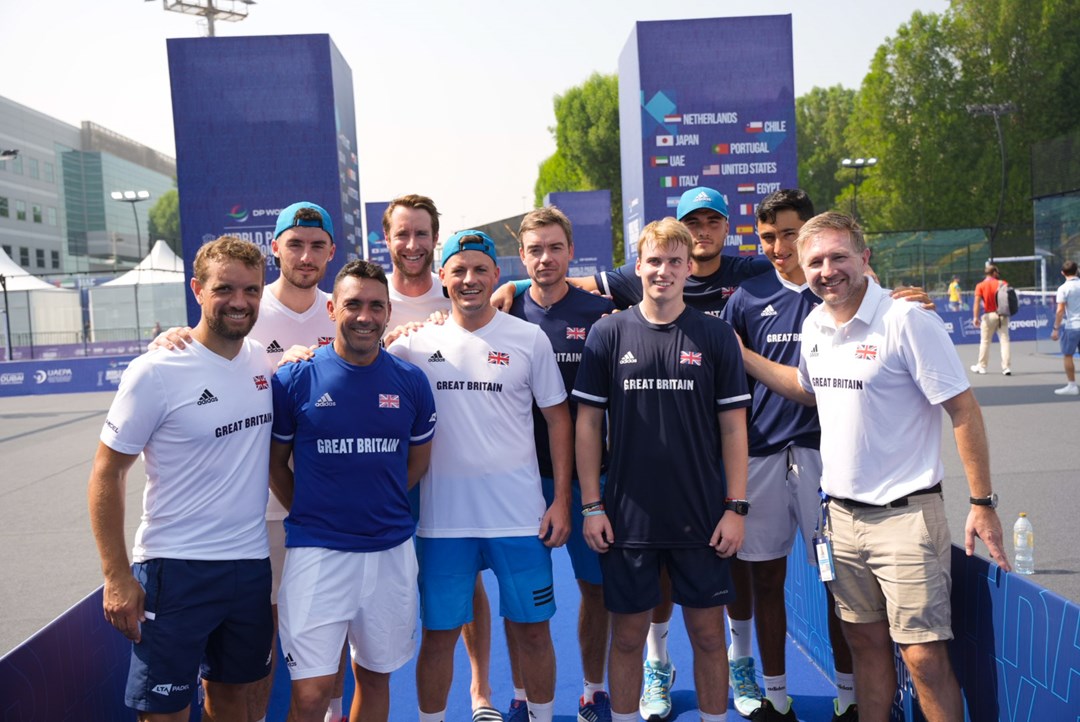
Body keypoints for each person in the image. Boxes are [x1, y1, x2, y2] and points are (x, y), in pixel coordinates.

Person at [740, 212, 1010, 722]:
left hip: (906, 518)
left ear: (865, 259)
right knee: (864, 645)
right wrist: (745, 355)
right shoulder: (816, 322)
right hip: (840, 520)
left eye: (839, 257)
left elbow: (963, 409)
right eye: (815, 261)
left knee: (924, 660)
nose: (827, 270)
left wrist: (982, 503)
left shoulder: (908, 320)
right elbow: (807, 389)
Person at [148, 201, 343, 722]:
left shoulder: (342, 307)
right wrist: (172, 338)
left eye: (316, 244)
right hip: (260, 515)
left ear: (331, 251)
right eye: (294, 244)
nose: (305, 255)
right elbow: (202, 348)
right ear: (274, 248)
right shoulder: (246, 309)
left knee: (330, 628)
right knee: (258, 651)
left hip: (329, 506)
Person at [387, 230, 573, 722]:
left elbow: (558, 418)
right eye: (458, 270)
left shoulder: (528, 338)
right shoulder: (413, 346)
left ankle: (541, 717)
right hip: (442, 523)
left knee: (533, 630)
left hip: (519, 520)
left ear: (496, 276)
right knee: (439, 636)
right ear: (442, 277)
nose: (469, 279)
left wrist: (559, 503)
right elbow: (355, 366)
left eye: (479, 270)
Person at [88, 236, 274, 722]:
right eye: (225, 289)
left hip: (249, 565)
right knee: (164, 712)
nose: (239, 301)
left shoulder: (262, 361)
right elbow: (107, 472)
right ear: (197, 289)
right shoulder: (155, 369)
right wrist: (115, 576)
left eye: (251, 290)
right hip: (175, 569)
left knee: (235, 702)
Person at [573, 217, 752, 722]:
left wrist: (735, 508)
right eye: (654, 261)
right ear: (638, 265)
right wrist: (592, 505)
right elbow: (588, 425)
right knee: (629, 637)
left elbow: (735, 430)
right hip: (629, 518)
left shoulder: (715, 335)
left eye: (676, 261)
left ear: (688, 268)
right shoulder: (608, 332)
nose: (664, 271)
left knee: (709, 636)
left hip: (702, 516)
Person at [269, 260, 436, 722]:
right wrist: (311, 508)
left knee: (375, 677)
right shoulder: (294, 379)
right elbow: (275, 465)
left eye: (376, 306)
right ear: (332, 308)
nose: (365, 316)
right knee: (310, 694)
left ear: (388, 312)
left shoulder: (411, 382)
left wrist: (376, 499)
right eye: (354, 304)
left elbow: (418, 460)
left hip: (390, 552)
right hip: (318, 556)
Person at [720, 190, 856, 722]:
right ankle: (775, 695)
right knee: (765, 578)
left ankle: (849, 694)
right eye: (768, 237)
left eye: (790, 235)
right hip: (761, 459)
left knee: (837, 579)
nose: (779, 248)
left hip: (830, 460)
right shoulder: (745, 298)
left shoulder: (841, 290)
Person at [505, 207, 616, 722]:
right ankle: (524, 693)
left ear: (571, 252)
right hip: (522, 481)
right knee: (520, 593)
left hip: (592, 479)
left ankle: (594, 688)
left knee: (594, 588)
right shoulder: (503, 312)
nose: (544, 258)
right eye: (534, 249)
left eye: (554, 247)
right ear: (521, 256)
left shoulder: (601, 314)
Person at [492, 186, 773, 315]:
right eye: (693, 222)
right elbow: (568, 283)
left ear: (727, 228)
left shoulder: (751, 273)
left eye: (713, 222)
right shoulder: (644, 275)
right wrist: (514, 287)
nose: (703, 231)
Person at [971, 264, 1012, 375]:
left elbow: (977, 302)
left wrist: (975, 317)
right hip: (1002, 315)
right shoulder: (1003, 283)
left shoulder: (980, 285)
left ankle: (982, 366)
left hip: (989, 315)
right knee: (1004, 341)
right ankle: (1006, 367)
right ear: (994, 273)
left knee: (985, 341)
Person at [1051, 259, 1080, 395]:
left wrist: (1056, 328)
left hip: (1073, 326)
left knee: (1068, 355)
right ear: (1077, 270)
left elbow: (1060, 310)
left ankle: (1072, 385)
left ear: (1063, 273)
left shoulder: (1063, 289)